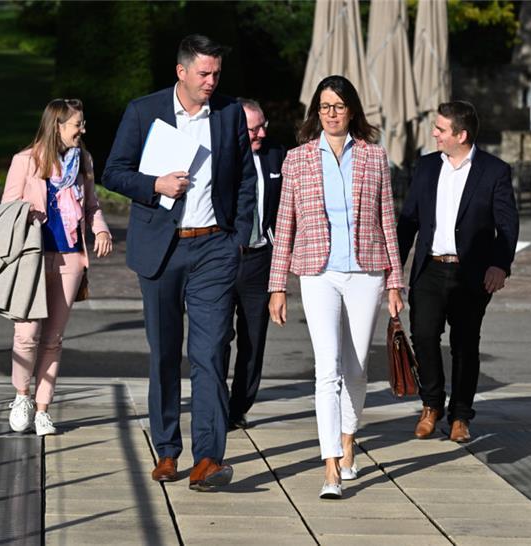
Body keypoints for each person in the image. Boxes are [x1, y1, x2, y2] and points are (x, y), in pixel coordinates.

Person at [102, 34, 256, 491]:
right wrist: (156, 185)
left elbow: (246, 179)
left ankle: (209, 457)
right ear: (182, 72)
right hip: (162, 250)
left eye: (216, 74)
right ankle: (167, 451)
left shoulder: (229, 114)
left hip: (214, 248)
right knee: (165, 353)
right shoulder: (143, 110)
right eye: (204, 73)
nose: (211, 81)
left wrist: (238, 239)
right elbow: (114, 171)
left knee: (209, 354)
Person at [268, 75, 404, 500]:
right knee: (327, 369)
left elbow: (387, 222)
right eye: (324, 106)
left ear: (352, 111)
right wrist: (277, 286)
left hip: (367, 271)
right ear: (316, 112)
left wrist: (396, 281)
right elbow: (284, 223)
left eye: (339, 106)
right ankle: (329, 466)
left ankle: (348, 441)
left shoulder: (374, 157)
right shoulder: (298, 159)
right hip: (317, 271)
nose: (331, 113)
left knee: (357, 367)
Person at [397, 100, 519, 444]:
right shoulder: (424, 167)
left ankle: (461, 416)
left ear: (460, 135)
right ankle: (431, 405)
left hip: (471, 273)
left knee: (465, 345)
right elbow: (408, 222)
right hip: (430, 269)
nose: (434, 134)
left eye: (440, 129)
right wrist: (394, 270)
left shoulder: (494, 171)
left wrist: (500, 265)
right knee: (423, 336)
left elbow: (507, 225)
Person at [3, 98, 113, 436]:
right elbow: (6, 210)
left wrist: (101, 228)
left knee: (53, 338)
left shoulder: (84, 162)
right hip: (30, 261)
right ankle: (21, 396)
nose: (83, 130)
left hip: (69, 258)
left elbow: (91, 205)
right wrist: (26, 213)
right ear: (57, 127)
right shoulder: (24, 161)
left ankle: (42, 409)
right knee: (27, 335)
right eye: (77, 124)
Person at [223, 98, 285, 431]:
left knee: (253, 337)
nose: (261, 133)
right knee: (217, 337)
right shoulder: (221, 156)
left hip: (260, 257)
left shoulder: (276, 155)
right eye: (253, 129)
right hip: (223, 258)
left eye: (263, 125)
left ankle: (239, 407)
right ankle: (214, 403)